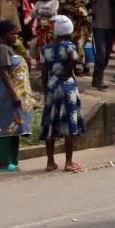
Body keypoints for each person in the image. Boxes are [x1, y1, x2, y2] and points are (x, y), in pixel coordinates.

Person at [0, 21, 35, 173]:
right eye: (12, 33)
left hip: (10, 96)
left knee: (12, 128)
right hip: (7, 97)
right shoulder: (3, 49)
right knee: (3, 128)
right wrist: (14, 95)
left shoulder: (11, 48)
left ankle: (8, 161)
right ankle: (2, 164)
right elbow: (4, 73)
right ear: (2, 35)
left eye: (16, 33)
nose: (16, 36)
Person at [39, 14, 85, 173]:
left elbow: (43, 72)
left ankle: (50, 162)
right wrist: (67, 72)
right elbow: (75, 58)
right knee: (68, 124)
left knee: (50, 123)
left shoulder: (46, 48)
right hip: (67, 87)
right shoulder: (69, 45)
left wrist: (46, 88)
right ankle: (68, 162)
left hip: (52, 87)